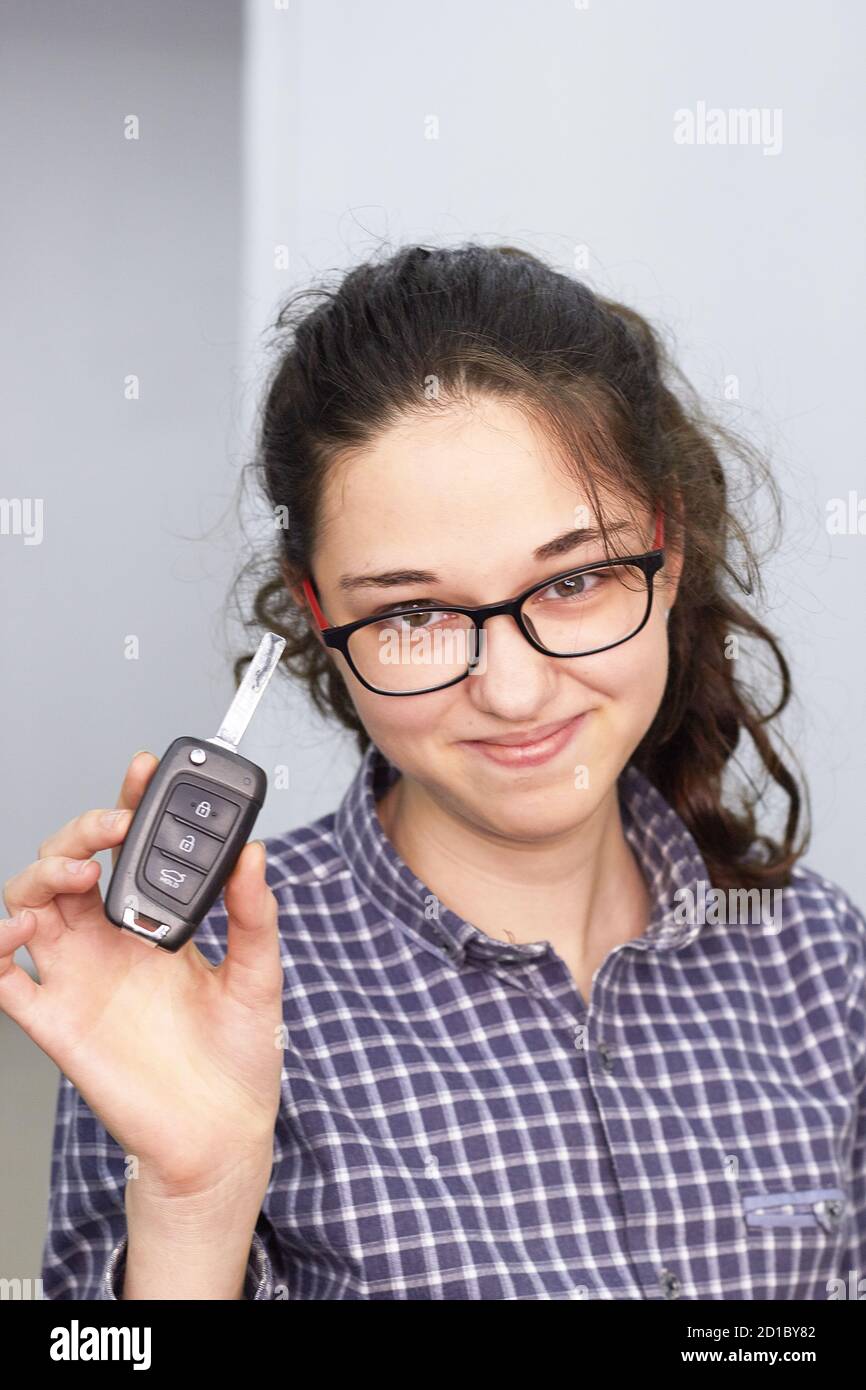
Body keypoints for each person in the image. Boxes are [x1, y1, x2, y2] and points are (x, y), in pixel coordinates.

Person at [4, 243, 864, 1300]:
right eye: (413, 612)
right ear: (317, 613)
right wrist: (194, 1201)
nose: (510, 690)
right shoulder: (188, 993)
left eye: (574, 580)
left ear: (666, 547)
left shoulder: (821, 964)